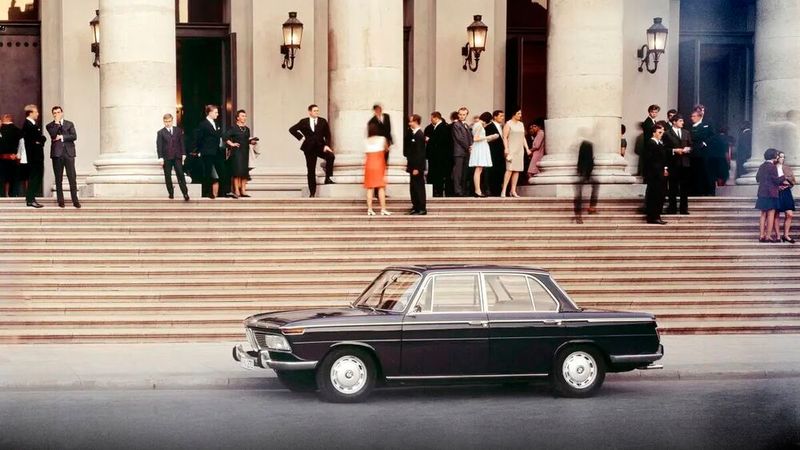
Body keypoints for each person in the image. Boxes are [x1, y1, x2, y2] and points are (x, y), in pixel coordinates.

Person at [289, 104, 335, 197]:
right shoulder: (304, 121)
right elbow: (292, 129)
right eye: (315, 111)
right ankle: (312, 192)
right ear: (310, 112)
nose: (317, 112)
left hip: (320, 147)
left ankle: (328, 178)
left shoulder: (323, 121)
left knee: (331, 156)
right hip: (309, 148)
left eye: (317, 110)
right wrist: (302, 138)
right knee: (311, 170)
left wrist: (327, 145)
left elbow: (328, 135)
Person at [45, 106, 80, 208]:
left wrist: (62, 137)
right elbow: (53, 135)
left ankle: (75, 200)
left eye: (58, 112)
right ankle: (61, 201)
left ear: (62, 113)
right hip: (57, 154)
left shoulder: (69, 124)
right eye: (55, 113)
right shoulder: (50, 125)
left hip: (69, 153)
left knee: (72, 177)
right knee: (58, 178)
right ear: (53, 114)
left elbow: (74, 136)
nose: (57, 114)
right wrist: (56, 123)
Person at [224, 109, 257, 198]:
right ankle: (236, 190)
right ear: (238, 118)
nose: (244, 117)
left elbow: (246, 140)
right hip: (237, 152)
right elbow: (225, 137)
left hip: (245, 152)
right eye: (242, 116)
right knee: (237, 171)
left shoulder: (247, 129)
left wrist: (252, 141)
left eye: (245, 116)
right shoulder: (233, 128)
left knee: (244, 172)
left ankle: (243, 190)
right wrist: (232, 144)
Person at [663, 113, 692, 215]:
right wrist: (674, 150)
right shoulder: (667, 133)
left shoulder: (686, 132)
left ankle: (684, 209)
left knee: (684, 188)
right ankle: (672, 208)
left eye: (682, 121)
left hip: (685, 163)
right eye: (680, 121)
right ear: (674, 122)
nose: (683, 122)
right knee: (673, 187)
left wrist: (688, 149)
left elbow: (691, 145)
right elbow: (664, 149)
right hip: (673, 163)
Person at [194, 105, 225, 199]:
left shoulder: (216, 123)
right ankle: (208, 192)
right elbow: (199, 139)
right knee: (208, 172)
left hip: (217, 151)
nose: (217, 114)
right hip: (207, 152)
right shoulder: (203, 124)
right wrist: (199, 150)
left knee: (222, 170)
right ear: (210, 113)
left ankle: (222, 192)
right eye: (216, 112)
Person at [156, 113, 189, 201]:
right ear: (163, 122)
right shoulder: (160, 132)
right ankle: (171, 193)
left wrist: (183, 154)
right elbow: (159, 146)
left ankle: (185, 193)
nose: (167, 123)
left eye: (169, 121)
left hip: (177, 156)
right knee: (168, 175)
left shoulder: (178, 130)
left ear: (172, 121)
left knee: (180, 174)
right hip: (166, 157)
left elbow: (181, 143)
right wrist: (160, 157)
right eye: (166, 121)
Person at [755, 149, 784, 243]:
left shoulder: (761, 166)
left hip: (762, 193)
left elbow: (757, 178)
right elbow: (777, 181)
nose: (777, 157)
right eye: (777, 155)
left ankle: (761, 235)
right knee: (771, 214)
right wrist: (783, 175)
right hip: (771, 193)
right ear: (773, 156)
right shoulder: (773, 167)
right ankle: (768, 236)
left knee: (763, 214)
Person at [501, 109, 530, 198]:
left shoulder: (521, 124)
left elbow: (523, 137)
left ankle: (513, 190)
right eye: (518, 113)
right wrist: (506, 148)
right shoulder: (508, 124)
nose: (520, 115)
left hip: (519, 150)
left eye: (520, 113)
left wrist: (527, 148)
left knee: (517, 170)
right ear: (513, 114)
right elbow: (504, 137)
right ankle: (504, 190)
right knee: (509, 169)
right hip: (511, 149)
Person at [643, 123, 668, 225]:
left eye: (662, 132)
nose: (662, 134)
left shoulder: (659, 143)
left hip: (659, 174)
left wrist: (665, 168)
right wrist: (659, 171)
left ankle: (656, 216)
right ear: (654, 133)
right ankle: (653, 217)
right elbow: (651, 161)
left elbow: (662, 159)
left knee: (659, 195)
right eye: (659, 132)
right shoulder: (651, 143)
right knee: (654, 196)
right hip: (654, 175)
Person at [364, 122, 390, 216]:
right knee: (381, 188)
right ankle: (383, 209)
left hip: (369, 164)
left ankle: (370, 209)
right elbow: (387, 149)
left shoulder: (366, 140)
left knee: (369, 188)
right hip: (379, 164)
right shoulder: (382, 139)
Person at [22, 105, 46, 208]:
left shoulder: (33, 124)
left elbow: (41, 139)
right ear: (30, 113)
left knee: (37, 177)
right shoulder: (28, 125)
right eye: (36, 112)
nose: (38, 114)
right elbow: (37, 139)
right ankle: (30, 199)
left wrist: (40, 140)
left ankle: (31, 199)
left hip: (36, 156)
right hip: (34, 157)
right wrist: (40, 140)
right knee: (35, 177)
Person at [424, 111, 451, 197]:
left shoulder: (441, 127)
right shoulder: (440, 126)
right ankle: (437, 191)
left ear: (436, 118)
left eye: (432, 118)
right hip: (437, 156)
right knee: (437, 174)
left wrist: (429, 140)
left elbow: (439, 141)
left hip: (438, 157)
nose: (431, 120)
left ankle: (438, 191)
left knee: (438, 174)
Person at [468, 112, 495, 197]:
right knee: (478, 169)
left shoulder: (478, 124)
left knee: (479, 169)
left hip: (480, 147)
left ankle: (478, 190)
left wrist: (490, 138)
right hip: (479, 148)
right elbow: (476, 138)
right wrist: (489, 137)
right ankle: (477, 191)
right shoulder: (479, 125)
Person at [690, 109, 716, 196]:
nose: (692, 118)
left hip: (705, 153)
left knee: (706, 171)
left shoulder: (706, 125)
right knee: (697, 172)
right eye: (691, 116)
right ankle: (698, 191)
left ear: (699, 117)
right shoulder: (691, 127)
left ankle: (709, 191)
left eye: (694, 116)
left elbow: (713, 136)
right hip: (695, 153)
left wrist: (705, 143)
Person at [405, 114, 427, 215]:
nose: (409, 123)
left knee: (419, 187)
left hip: (417, 167)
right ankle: (416, 206)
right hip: (412, 166)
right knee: (413, 188)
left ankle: (422, 207)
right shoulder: (413, 133)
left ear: (416, 122)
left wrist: (417, 168)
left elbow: (420, 153)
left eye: (411, 121)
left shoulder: (419, 135)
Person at [573, 140, 598, 224]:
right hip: (585, 173)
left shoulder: (582, 155)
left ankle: (579, 215)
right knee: (579, 195)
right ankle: (591, 207)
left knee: (578, 195)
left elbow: (581, 165)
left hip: (584, 173)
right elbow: (589, 165)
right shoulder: (588, 154)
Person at [450, 107, 473, 197]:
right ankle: (457, 191)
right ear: (458, 115)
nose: (462, 116)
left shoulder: (466, 125)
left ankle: (463, 190)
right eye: (460, 114)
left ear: (466, 115)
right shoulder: (456, 125)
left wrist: (471, 145)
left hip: (466, 152)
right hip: (459, 152)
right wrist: (469, 147)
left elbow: (469, 137)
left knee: (464, 172)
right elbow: (459, 138)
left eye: (464, 114)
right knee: (458, 172)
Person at [774, 152, 795, 243]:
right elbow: (771, 180)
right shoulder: (772, 168)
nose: (782, 159)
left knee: (789, 214)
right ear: (777, 157)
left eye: (783, 157)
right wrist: (777, 186)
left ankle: (786, 235)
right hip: (776, 192)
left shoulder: (787, 167)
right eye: (780, 157)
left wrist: (787, 183)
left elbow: (793, 180)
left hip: (786, 192)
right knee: (776, 214)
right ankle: (778, 236)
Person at [484, 110, 506, 196]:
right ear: (495, 117)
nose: (502, 118)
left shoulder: (502, 127)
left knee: (499, 171)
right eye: (501, 116)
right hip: (492, 152)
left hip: (500, 153)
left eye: (503, 116)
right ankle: (490, 190)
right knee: (491, 171)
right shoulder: (489, 127)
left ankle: (497, 190)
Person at [0, 114, 21, 198]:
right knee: (12, 178)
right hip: (13, 158)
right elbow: (21, 143)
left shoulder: (1, 129)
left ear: (5, 119)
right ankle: (12, 194)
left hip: (2, 158)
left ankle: (3, 194)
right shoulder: (18, 130)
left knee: (3, 178)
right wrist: (17, 154)